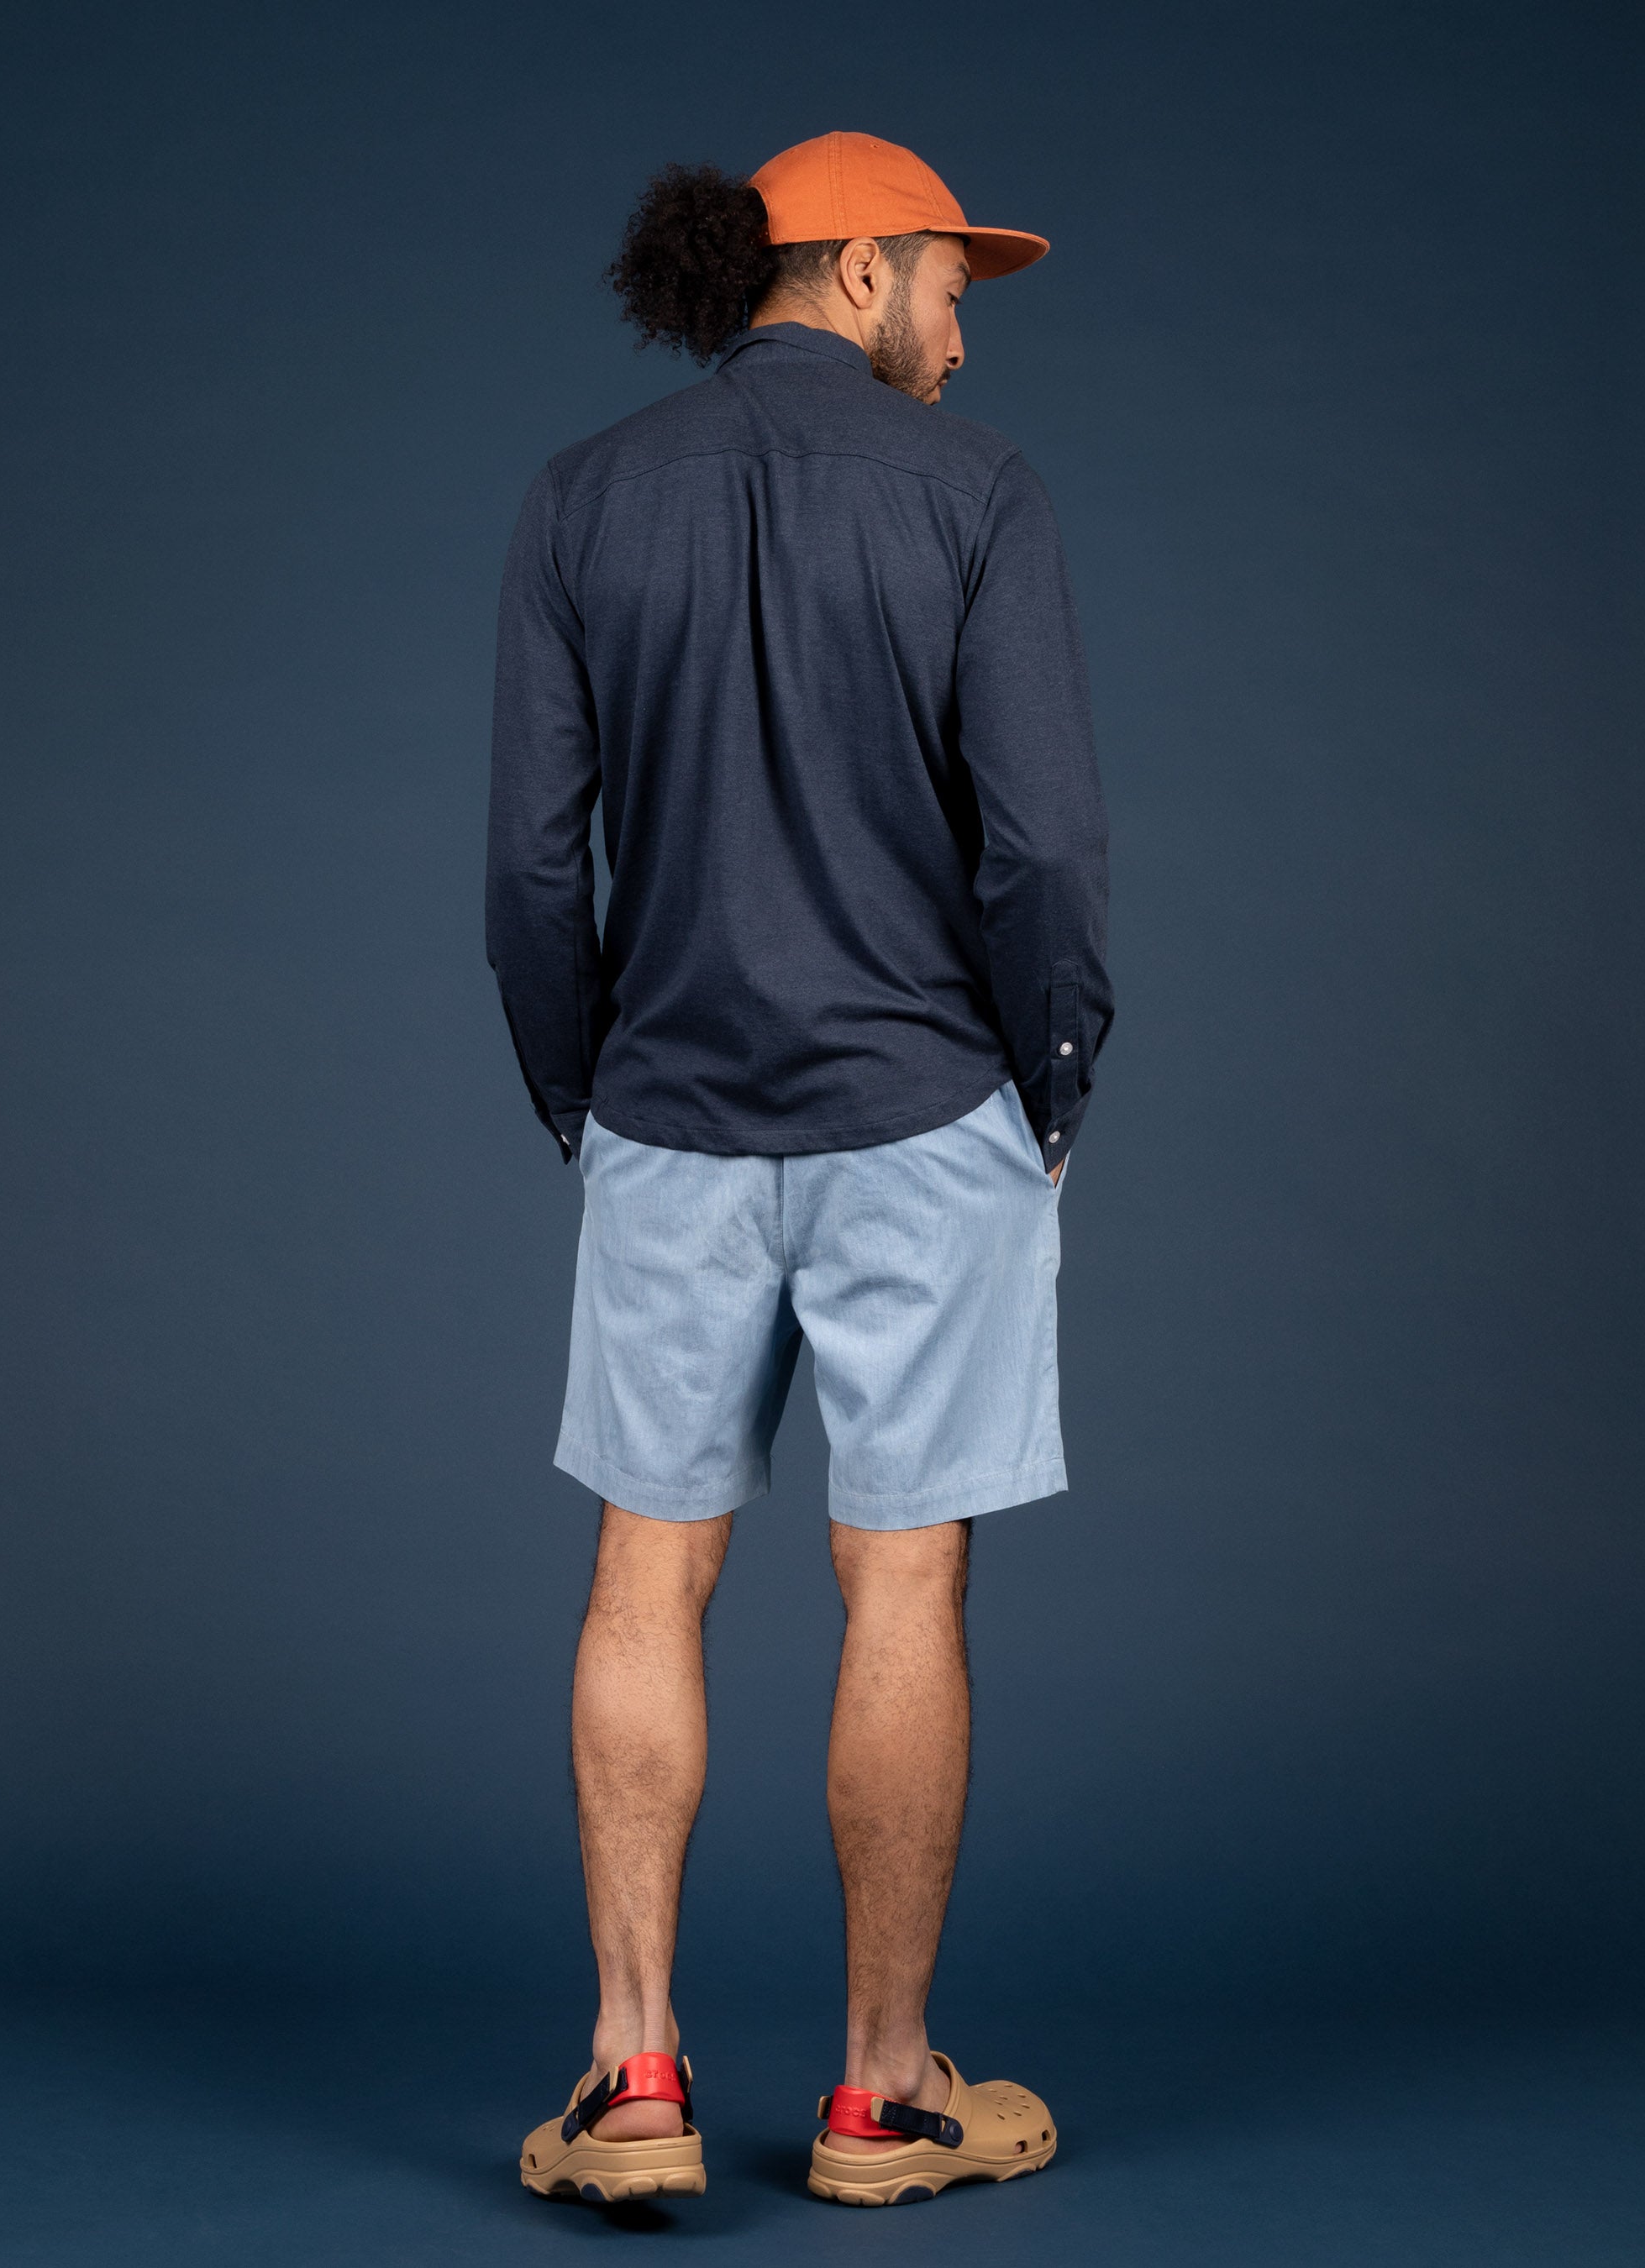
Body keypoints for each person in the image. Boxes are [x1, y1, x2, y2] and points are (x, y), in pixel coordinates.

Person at [488, 130, 1113, 2209]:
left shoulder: (583, 495)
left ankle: (630, 2081)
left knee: (645, 1568)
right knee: (904, 1575)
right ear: (858, 272)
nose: (961, 331)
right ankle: (882, 2099)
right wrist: (1047, 1090)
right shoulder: (979, 492)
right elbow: (1042, 847)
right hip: (924, 1115)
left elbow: (531, 869)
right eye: (948, 283)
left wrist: (586, 1095)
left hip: (668, 1115)